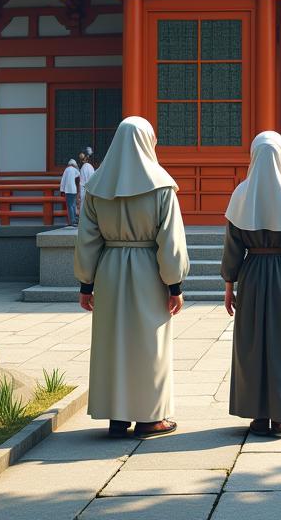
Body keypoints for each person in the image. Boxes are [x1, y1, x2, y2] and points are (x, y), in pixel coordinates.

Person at [74, 116, 189, 439]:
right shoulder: (162, 186)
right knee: (149, 344)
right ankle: (150, 418)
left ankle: (117, 417)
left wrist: (86, 283)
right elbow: (170, 241)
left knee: (113, 342)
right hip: (148, 270)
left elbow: (86, 239)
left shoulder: (97, 187)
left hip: (110, 268)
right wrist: (174, 284)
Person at [222, 131, 281, 438]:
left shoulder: (241, 194)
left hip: (251, 274)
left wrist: (229, 284)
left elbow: (232, 246)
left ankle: (257, 414)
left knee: (252, 345)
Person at [60, 158, 80, 226]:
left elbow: (63, 180)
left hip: (68, 190)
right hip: (74, 190)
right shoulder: (75, 170)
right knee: (73, 205)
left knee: (70, 206)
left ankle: (72, 221)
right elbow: (78, 175)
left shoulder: (66, 170)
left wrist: (62, 190)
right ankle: (75, 219)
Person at [77, 150, 95, 215]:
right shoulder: (91, 167)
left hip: (84, 189)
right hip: (91, 189)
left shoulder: (83, 168)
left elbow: (81, 182)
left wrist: (79, 192)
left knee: (83, 206)